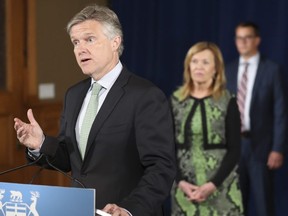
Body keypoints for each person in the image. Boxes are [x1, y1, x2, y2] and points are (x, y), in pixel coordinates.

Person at [14, 4, 176, 216]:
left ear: (115, 42)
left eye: (89, 39)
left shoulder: (145, 95)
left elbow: (161, 167)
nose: (80, 49)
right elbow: (69, 158)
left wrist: (129, 209)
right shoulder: (73, 95)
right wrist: (41, 143)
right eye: (75, 42)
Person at [170, 41, 243, 216]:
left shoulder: (228, 101)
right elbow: (167, 146)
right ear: (188, 66)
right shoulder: (175, 100)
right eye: (194, 62)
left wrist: (212, 185)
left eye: (205, 62)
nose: (199, 67)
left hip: (221, 188)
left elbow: (235, 150)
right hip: (184, 189)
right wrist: (180, 181)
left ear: (216, 68)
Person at [225, 22, 287, 216]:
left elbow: (280, 111)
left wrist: (277, 148)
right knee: (235, 203)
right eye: (238, 38)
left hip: (261, 147)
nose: (242, 42)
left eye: (247, 37)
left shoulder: (272, 70)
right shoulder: (229, 69)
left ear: (257, 40)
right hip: (234, 147)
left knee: (263, 204)